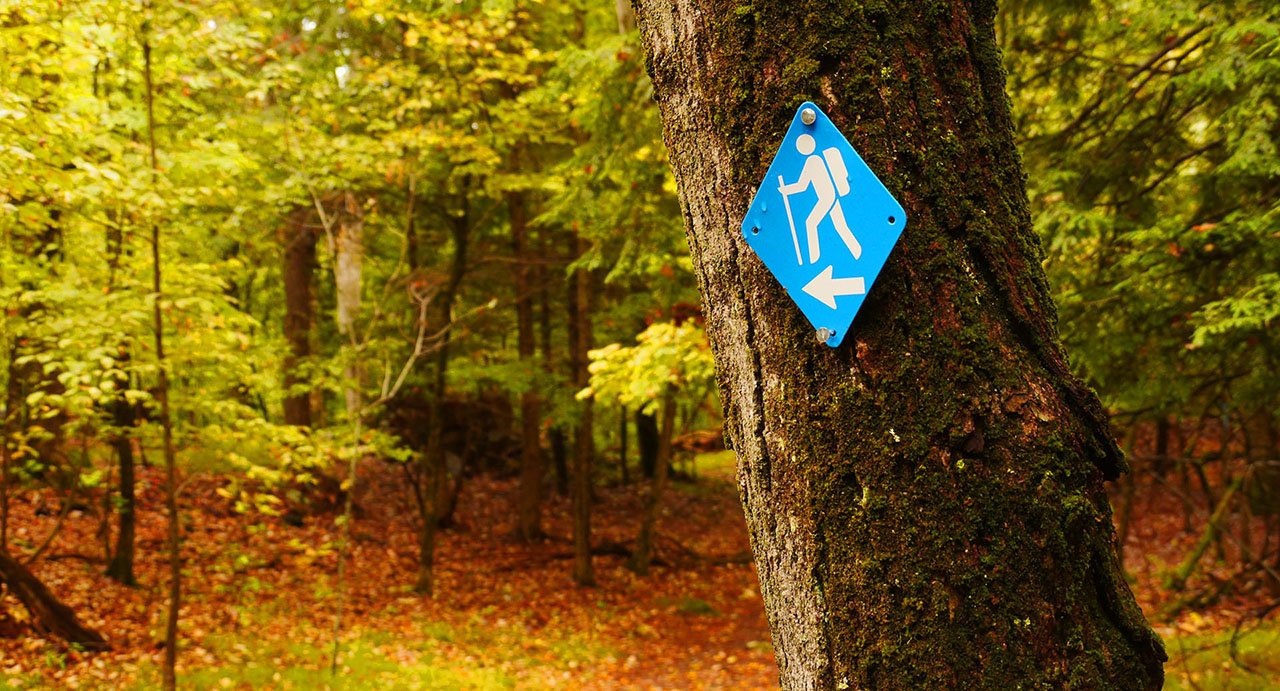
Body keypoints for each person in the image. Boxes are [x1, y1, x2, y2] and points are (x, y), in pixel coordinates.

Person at [779, 134, 862, 263]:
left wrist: (785, 190)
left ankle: (814, 260)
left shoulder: (812, 161)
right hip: (832, 195)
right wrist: (785, 191)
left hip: (827, 198)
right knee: (840, 226)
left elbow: (802, 186)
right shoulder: (817, 159)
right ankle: (857, 252)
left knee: (810, 223)